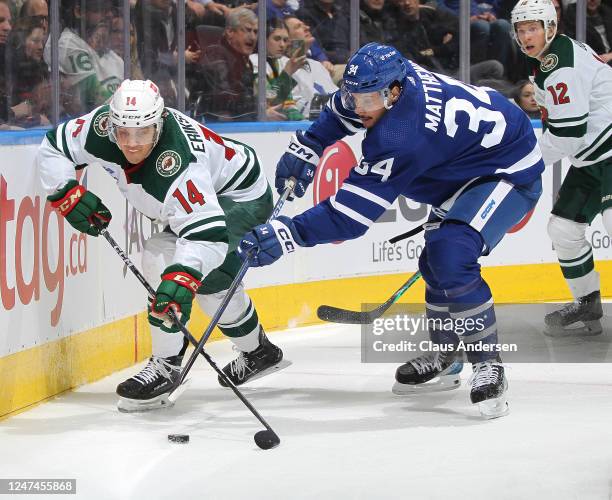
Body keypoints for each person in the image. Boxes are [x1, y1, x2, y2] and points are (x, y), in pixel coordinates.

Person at [237, 43, 544, 419]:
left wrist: (288, 233)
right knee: (435, 260)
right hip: (465, 159)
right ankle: (447, 355)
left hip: (506, 168)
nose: (361, 107)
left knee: (451, 254)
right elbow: (342, 108)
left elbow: (349, 217)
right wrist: (311, 142)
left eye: (371, 99)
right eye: (356, 96)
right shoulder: (386, 78)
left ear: (395, 92)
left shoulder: (401, 136)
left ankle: (488, 363)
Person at [35, 79, 284, 412]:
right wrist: (65, 190)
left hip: (239, 198)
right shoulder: (102, 126)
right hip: (191, 204)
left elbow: (205, 237)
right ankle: (258, 351)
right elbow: (55, 147)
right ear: (112, 122)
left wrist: (181, 277)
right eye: (123, 132)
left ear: (160, 121)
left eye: (142, 133)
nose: (132, 143)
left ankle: (167, 364)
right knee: (200, 276)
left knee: (173, 264)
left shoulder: (181, 164)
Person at [511, 0, 612, 335]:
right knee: (564, 231)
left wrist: (521, 162)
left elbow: (568, 136)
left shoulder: (560, 63)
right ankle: (587, 303)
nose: (526, 36)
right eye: (521, 29)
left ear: (550, 28)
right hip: (592, 159)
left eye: (533, 28)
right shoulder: (549, 61)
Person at [250, 19, 306, 121]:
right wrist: (287, 73)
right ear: (263, 39)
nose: (282, 45)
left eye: (285, 40)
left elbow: (296, 101)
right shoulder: (254, 62)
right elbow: (270, 102)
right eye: (277, 39)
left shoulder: (284, 62)